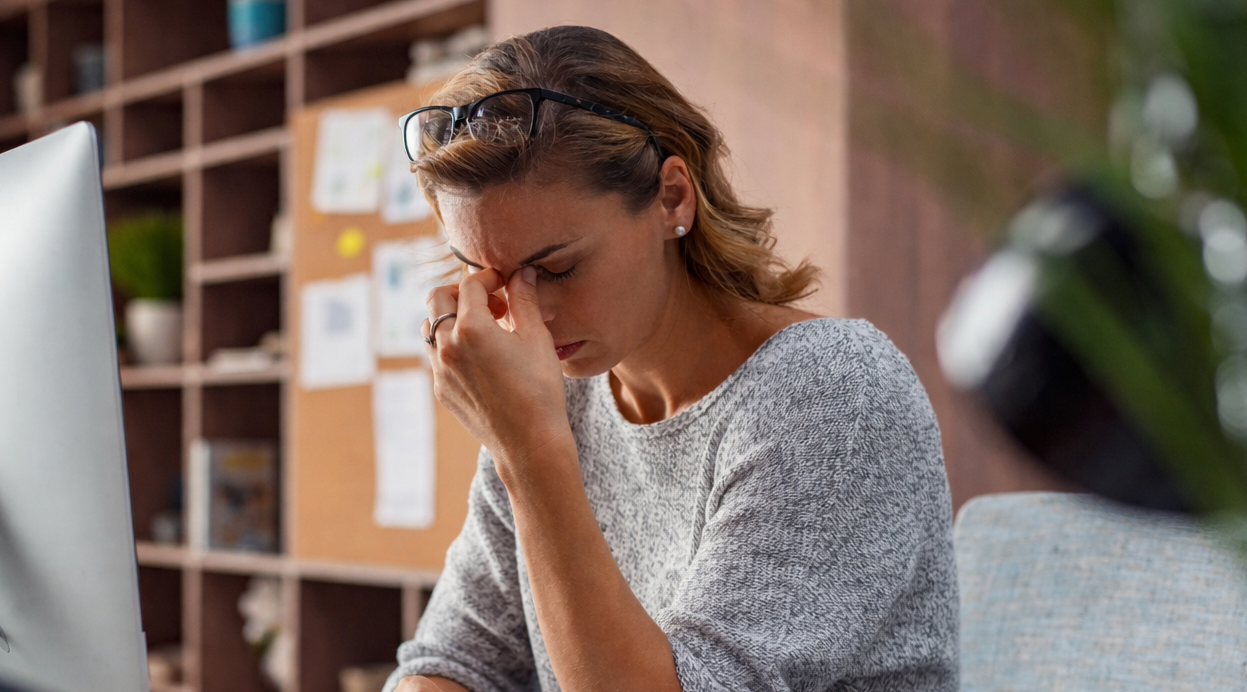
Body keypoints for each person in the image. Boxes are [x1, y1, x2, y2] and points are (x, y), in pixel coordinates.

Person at [386, 25, 957, 692]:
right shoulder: (562, 398)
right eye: (486, 276)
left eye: (558, 267)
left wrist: (531, 453)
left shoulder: (833, 393)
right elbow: (456, 663)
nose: (527, 317)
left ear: (671, 197)